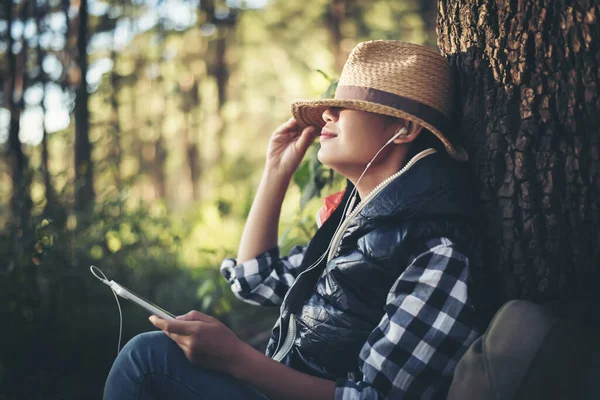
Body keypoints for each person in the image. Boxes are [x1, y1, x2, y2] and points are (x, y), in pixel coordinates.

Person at [104, 40, 480, 400]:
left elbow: (377, 397)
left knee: (149, 360)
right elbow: (256, 280)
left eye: (346, 106)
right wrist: (276, 171)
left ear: (404, 128)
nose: (328, 115)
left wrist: (236, 358)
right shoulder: (356, 221)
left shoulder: (435, 250)